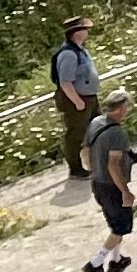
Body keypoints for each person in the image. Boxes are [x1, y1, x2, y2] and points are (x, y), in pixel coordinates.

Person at [78, 84, 137, 272]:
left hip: (97, 183)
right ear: (122, 108)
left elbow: (85, 152)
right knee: (120, 228)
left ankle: (116, 260)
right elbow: (113, 165)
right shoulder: (117, 134)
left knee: (115, 224)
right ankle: (96, 263)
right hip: (111, 187)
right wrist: (125, 191)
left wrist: (94, 169)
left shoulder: (96, 122)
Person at [49, 17, 101, 186]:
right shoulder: (68, 55)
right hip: (78, 100)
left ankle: (101, 159)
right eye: (85, 29)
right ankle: (76, 169)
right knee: (76, 135)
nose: (87, 32)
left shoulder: (80, 50)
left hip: (89, 97)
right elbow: (65, 82)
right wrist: (77, 101)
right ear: (77, 33)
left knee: (99, 127)